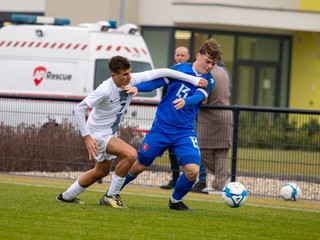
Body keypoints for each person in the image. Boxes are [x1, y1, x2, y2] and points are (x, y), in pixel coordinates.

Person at [55, 55, 208, 208]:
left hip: (109, 133)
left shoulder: (131, 80)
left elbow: (164, 72)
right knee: (131, 154)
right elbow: (79, 109)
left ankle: (66, 196)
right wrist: (87, 137)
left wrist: (194, 81)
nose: (129, 77)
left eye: (129, 73)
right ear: (114, 76)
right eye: (125, 75)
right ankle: (111, 196)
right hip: (98, 134)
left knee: (101, 171)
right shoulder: (104, 90)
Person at [119, 38, 222, 210]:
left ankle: (175, 201)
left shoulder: (209, 80)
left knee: (193, 170)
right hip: (162, 127)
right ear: (198, 55)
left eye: (213, 63)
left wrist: (186, 101)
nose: (210, 66)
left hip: (184, 131)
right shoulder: (179, 69)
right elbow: (158, 81)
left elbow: (199, 96)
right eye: (208, 61)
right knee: (139, 166)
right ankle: (113, 192)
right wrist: (139, 88)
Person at [192, 60, 233, 193]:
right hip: (226, 115)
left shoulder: (208, 76)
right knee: (221, 153)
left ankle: (220, 181)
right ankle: (220, 182)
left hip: (210, 118)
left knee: (202, 149)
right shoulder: (224, 72)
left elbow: (203, 99)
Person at [160, 46, 190, 190]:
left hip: (184, 121)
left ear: (188, 57)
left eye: (182, 55)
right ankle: (175, 178)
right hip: (169, 120)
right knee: (171, 151)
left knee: (185, 151)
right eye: (177, 55)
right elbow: (164, 94)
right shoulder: (170, 73)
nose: (179, 57)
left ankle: (188, 179)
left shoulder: (192, 76)